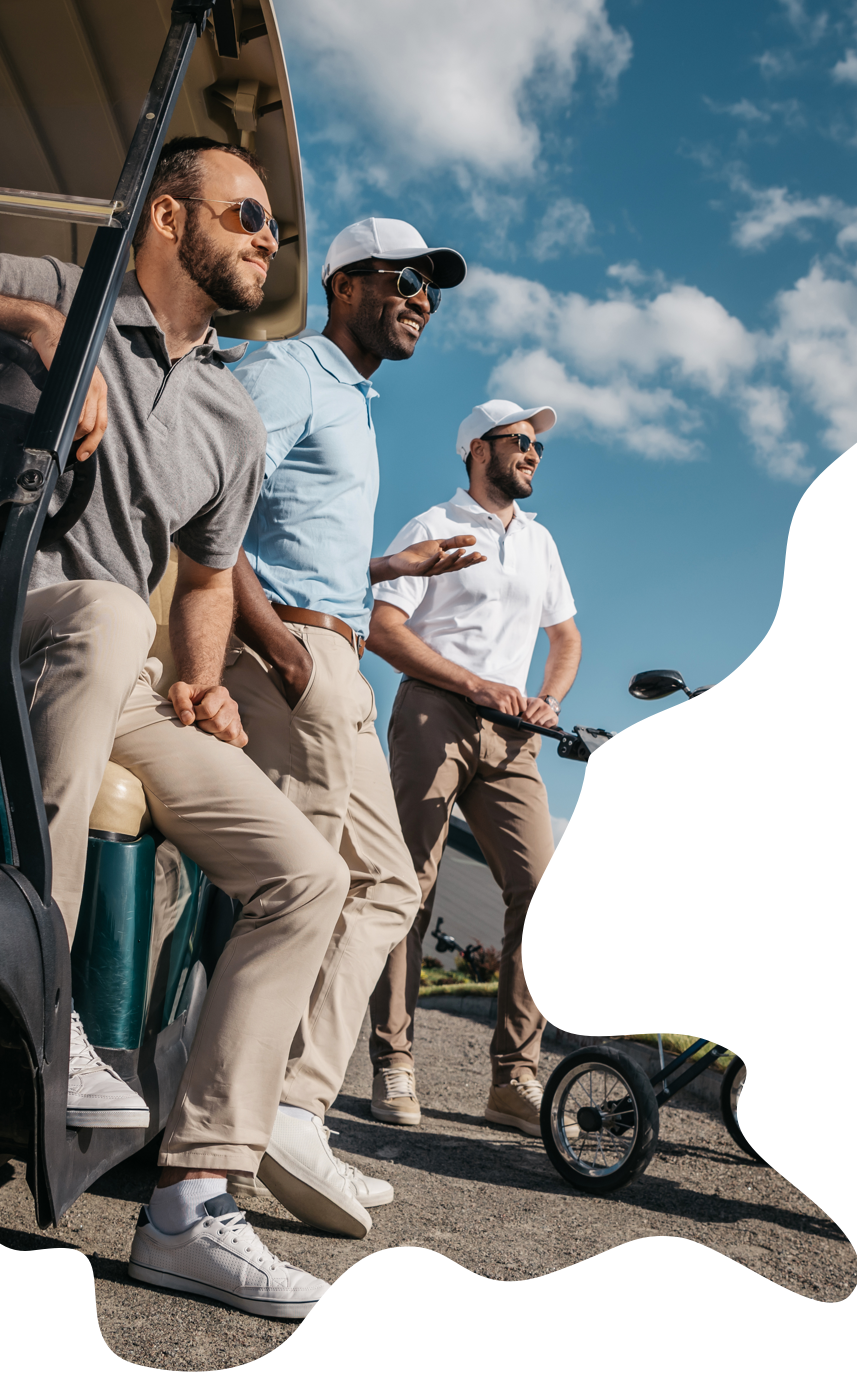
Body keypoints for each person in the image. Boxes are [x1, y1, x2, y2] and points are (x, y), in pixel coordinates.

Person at [0, 136, 350, 1318]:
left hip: (120, 674)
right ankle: (54, 1005)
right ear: (166, 215)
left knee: (305, 871)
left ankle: (195, 1202)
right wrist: (22, 328)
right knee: (94, 607)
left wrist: (204, 679)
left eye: (275, 231)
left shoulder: (232, 420)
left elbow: (202, 581)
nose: (266, 239)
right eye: (247, 214)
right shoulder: (52, 291)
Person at [222, 218, 475, 1236]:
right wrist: (282, 652)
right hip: (297, 658)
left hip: (335, 651)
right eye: (407, 279)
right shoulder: (286, 372)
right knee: (317, 889)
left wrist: (384, 571)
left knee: (387, 883)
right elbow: (204, 509)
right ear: (348, 281)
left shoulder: (354, 404)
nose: (423, 297)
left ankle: (293, 1109)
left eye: (432, 287)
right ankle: (238, 1134)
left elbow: (300, 536)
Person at [365, 398, 581, 1138]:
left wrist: (548, 698)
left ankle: (513, 1077)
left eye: (538, 446)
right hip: (436, 712)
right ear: (475, 449)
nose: (532, 453)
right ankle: (392, 1059)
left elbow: (566, 635)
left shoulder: (540, 543)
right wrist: (471, 683)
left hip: (514, 733)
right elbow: (382, 629)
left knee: (541, 890)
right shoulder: (431, 527)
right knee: (410, 882)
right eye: (519, 440)